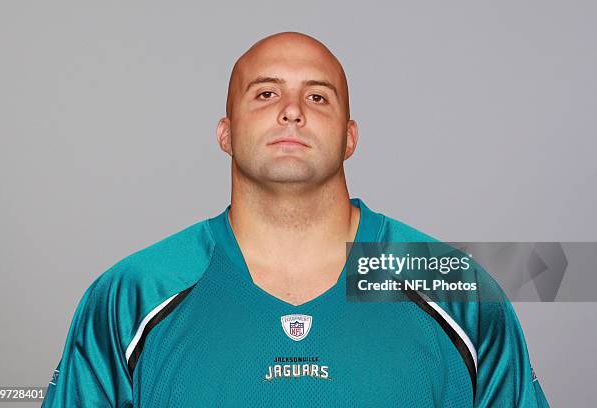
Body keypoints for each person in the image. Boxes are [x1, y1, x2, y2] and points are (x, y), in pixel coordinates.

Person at [42, 31, 549, 407]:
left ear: (350, 136)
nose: (292, 111)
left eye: (317, 96)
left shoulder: (454, 288)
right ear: (226, 132)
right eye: (265, 94)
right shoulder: (132, 295)